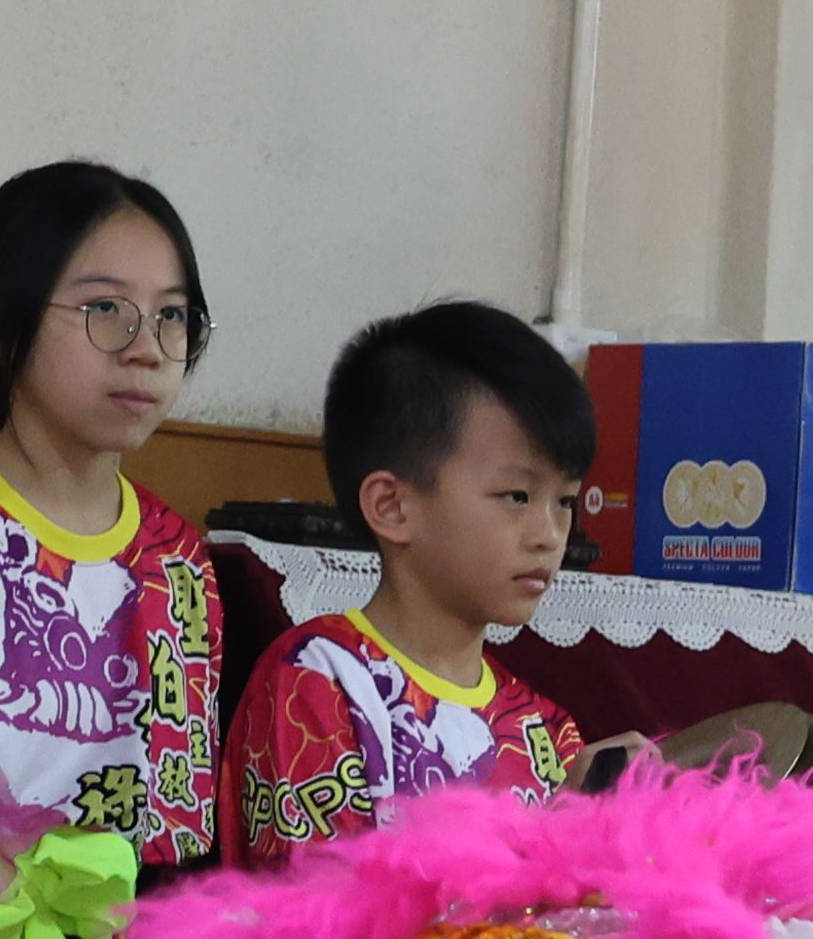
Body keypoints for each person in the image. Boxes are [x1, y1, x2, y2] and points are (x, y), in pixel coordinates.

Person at [0, 161, 227, 939]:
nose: (146, 347)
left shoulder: (179, 559)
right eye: (105, 311)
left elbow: (173, 827)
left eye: (172, 316)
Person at [222, 300, 594, 868]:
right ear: (392, 507)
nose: (549, 535)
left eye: (564, 501)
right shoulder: (318, 681)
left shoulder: (547, 732)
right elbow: (317, 909)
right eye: (517, 496)